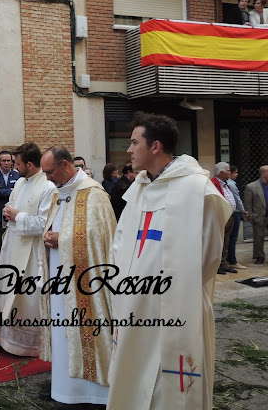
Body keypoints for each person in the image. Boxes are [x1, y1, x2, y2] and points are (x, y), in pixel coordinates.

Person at [107, 112, 231, 410]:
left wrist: (172, 291)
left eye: (134, 142)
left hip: (176, 304)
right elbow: (120, 244)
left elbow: (210, 254)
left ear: (155, 146)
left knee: (167, 388)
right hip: (134, 305)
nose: (128, 149)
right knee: (133, 379)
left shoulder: (197, 188)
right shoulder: (138, 188)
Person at [39, 146, 116, 406]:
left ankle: (94, 393)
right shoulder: (58, 193)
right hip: (60, 280)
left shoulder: (94, 194)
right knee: (63, 334)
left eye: (49, 172)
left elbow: (101, 238)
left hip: (85, 284)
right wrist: (49, 236)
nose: (47, 177)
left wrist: (63, 239)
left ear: (65, 165)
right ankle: (65, 389)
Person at [0, 143, 55, 356]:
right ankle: (3, 337)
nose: (15, 168)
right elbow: (10, 205)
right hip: (11, 245)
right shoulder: (19, 182)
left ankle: (25, 343)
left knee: (26, 295)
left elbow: (44, 223)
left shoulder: (47, 187)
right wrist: (9, 212)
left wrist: (17, 215)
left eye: (18, 164)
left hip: (31, 252)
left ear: (29, 163)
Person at [0, 151, 20, 262]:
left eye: (8, 160)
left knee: (12, 241)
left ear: (12, 162)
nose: (6, 163)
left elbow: (19, 192)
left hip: (13, 214)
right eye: (4, 161)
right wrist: (12, 190)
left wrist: (1, 190)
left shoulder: (18, 175)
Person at [211, 162, 238, 275]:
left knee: (226, 241)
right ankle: (216, 265)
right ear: (221, 173)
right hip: (220, 217)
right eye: (227, 170)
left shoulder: (227, 184)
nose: (229, 172)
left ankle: (224, 263)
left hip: (229, 215)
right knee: (218, 242)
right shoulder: (213, 184)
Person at [243, 165, 268, 265]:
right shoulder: (251, 187)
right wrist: (250, 216)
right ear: (263, 173)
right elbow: (247, 204)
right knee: (259, 237)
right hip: (259, 215)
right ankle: (259, 256)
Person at [226, 165, 247, 269]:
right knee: (233, 238)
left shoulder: (227, 184)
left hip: (230, 212)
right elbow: (237, 200)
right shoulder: (231, 184)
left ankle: (228, 259)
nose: (237, 175)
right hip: (235, 213)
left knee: (229, 238)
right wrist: (244, 211)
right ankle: (232, 260)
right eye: (236, 172)